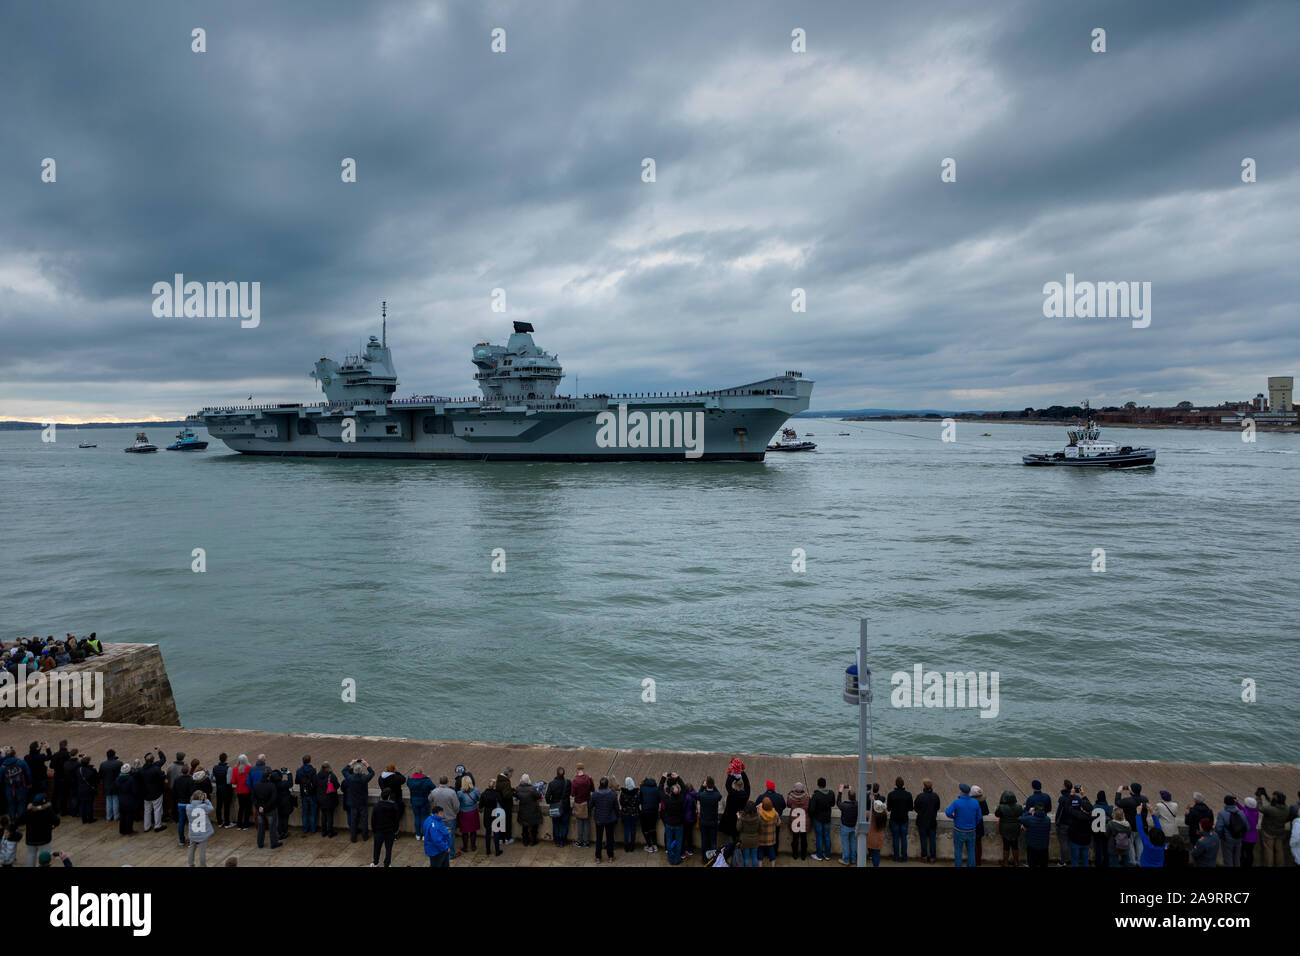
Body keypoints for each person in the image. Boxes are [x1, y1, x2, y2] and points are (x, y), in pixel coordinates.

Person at [16, 793, 59, 867]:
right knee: (45, 859)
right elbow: (57, 821)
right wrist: (52, 827)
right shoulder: (48, 811)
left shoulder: (29, 811)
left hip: (31, 840)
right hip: (44, 840)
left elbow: (19, 821)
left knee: (30, 855)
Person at [945, 783, 981, 867]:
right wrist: (973, 824)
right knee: (971, 851)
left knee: (958, 851)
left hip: (959, 831)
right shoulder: (975, 802)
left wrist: (954, 817)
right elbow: (979, 817)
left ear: (961, 792)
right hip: (971, 831)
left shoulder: (956, 802)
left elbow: (948, 812)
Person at [342, 759, 374, 843]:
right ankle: (365, 836)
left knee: (353, 821)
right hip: (363, 802)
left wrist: (351, 763)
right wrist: (366, 764)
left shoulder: (350, 778)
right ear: (360, 771)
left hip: (353, 802)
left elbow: (343, 771)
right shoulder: (364, 778)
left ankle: (353, 838)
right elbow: (372, 773)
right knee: (364, 820)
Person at [591, 776, 620, 863]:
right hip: (610, 819)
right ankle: (610, 857)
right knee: (610, 839)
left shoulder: (595, 794)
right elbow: (616, 808)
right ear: (608, 785)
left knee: (599, 839)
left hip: (599, 819)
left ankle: (598, 857)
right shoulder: (613, 794)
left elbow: (590, 806)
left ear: (600, 784)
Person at [885, 777, 913, 863]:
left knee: (895, 838)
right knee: (904, 838)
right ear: (903, 784)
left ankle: (896, 858)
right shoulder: (908, 794)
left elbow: (888, 808)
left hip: (894, 819)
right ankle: (904, 857)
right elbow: (911, 808)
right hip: (904, 819)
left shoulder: (891, 794)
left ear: (895, 784)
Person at [1258, 791, 1290, 867]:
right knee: (1280, 851)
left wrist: (1258, 797)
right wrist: (1267, 796)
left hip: (1268, 832)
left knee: (1269, 851)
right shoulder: (1286, 808)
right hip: (1280, 833)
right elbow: (1275, 805)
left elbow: (1260, 807)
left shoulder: (1271, 810)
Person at [754, 780, 785, 856]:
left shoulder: (761, 797)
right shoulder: (779, 797)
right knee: (775, 838)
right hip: (775, 821)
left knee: (763, 838)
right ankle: (774, 853)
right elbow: (784, 806)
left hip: (764, 822)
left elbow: (756, 807)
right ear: (774, 788)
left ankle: (764, 854)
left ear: (767, 788)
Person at [432, 776, 460, 857]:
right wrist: (455, 813)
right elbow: (456, 806)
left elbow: (429, 799)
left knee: (439, 835)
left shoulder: (434, 791)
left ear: (439, 782)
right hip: (450, 818)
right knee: (450, 836)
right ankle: (450, 854)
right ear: (447, 782)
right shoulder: (452, 792)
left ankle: (440, 852)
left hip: (438, 818)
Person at [370, 788, 400, 867]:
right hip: (390, 831)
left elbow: (373, 819)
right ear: (389, 796)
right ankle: (387, 864)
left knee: (377, 848)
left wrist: (374, 830)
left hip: (378, 831)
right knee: (388, 849)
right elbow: (396, 820)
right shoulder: (394, 806)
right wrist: (395, 830)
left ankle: (375, 862)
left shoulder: (376, 806)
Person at [253, 768, 280, 849]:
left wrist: (259, 807)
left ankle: (260, 843)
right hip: (270, 810)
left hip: (260, 811)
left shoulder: (256, 786)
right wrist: (265, 807)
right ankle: (274, 843)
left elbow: (254, 799)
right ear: (269, 777)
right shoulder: (272, 786)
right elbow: (273, 798)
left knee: (261, 827)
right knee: (272, 827)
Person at [1215, 795, 1246, 867]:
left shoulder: (1222, 814)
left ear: (1225, 803)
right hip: (1238, 840)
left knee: (1228, 860)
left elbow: (1218, 828)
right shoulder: (1241, 813)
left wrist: (1222, 837)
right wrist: (1241, 837)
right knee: (1237, 859)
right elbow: (1246, 826)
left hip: (1227, 840)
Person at [809, 777, 835, 862]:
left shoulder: (816, 795)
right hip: (827, 818)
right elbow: (833, 804)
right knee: (827, 836)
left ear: (818, 785)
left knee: (819, 837)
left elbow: (812, 809)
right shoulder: (831, 793)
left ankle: (819, 855)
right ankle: (827, 855)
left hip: (818, 819)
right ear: (825, 784)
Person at [914, 779, 940, 864]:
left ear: (924, 786)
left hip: (922, 822)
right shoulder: (935, 796)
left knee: (923, 840)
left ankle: (924, 857)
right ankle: (932, 858)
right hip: (932, 821)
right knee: (932, 840)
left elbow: (916, 808)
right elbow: (937, 807)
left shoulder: (920, 796)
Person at [1066, 788, 1094, 867]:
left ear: (1082, 808)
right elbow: (1090, 806)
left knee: (1075, 861)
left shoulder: (1077, 815)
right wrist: (1083, 795)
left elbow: (1068, 807)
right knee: (1085, 861)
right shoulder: (1091, 817)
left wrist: (1071, 795)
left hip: (1075, 841)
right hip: (1086, 842)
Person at [186, 790, 214, 867]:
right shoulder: (204, 806)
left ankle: (190, 864)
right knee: (202, 851)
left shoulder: (188, 807)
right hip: (202, 832)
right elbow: (211, 809)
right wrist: (206, 800)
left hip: (193, 831)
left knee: (191, 849)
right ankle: (203, 865)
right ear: (200, 797)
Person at [995, 789, 1023, 867]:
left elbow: (997, 815)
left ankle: (1005, 862)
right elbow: (1021, 813)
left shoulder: (1001, 807)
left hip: (1005, 828)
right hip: (1015, 828)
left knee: (1006, 845)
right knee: (1015, 845)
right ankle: (1016, 862)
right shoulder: (1019, 807)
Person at [722, 764, 750, 839]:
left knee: (733, 837)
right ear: (742, 786)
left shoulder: (732, 794)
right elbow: (747, 784)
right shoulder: (745, 794)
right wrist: (742, 772)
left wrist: (732, 775)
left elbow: (727, 785)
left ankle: (735, 849)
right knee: (737, 836)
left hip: (730, 819)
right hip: (740, 817)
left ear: (735, 785)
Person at [661, 783, 687, 865]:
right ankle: (676, 860)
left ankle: (670, 859)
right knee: (678, 842)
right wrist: (678, 778)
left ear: (670, 792)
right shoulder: (681, 799)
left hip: (669, 824)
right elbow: (684, 788)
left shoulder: (666, 800)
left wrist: (663, 778)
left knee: (669, 842)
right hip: (678, 825)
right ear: (679, 792)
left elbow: (659, 790)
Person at [1020, 802, 1052, 868]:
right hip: (1044, 847)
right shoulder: (1048, 820)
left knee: (1032, 864)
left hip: (1032, 847)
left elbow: (1021, 819)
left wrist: (1029, 812)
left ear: (1034, 810)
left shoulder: (1029, 819)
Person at [407, 768, 434, 841]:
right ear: (421, 773)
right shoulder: (426, 780)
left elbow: (408, 782)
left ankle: (418, 835)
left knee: (417, 817)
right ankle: (424, 835)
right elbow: (433, 787)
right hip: (424, 802)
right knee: (424, 818)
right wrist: (428, 779)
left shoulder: (410, 781)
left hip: (414, 802)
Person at [172, 762, 195, 847]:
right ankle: (190, 841)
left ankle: (181, 840)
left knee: (181, 822)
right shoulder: (191, 780)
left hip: (180, 803)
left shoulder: (177, 779)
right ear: (188, 771)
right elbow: (193, 792)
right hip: (188, 803)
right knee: (190, 822)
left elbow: (174, 791)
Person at [571, 763, 594, 848]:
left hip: (578, 804)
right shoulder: (588, 778)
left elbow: (572, 794)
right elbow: (593, 789)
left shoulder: (575, 781)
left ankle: (580, 841)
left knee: (580, 823)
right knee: (587, 823)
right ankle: (587, 842)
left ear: (577, 770)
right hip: (587, 803)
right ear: (583, 769)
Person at [786, 781, 811, 860]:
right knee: (804, 839)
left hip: (794, 820)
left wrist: (789, 794)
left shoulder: (791, 796)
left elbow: (788, 804)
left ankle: (795, 854)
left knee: (795, 839)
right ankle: (803, 855)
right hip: (804, 820)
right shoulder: (807, 797)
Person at [315, 761, 340, 838]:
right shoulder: (331, 776)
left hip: (320, 799)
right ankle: (330, 832)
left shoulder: (317, 776)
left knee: (323, 816)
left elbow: (315, 785)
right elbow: (337, 785)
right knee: (329, 816)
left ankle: (323, 832)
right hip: (329, 799)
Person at [457, 775, 481, 854]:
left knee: (464, 831)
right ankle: (473, 846)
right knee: (473, 830)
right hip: (473, 812)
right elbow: (478, 799)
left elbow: (458, 802)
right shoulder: (475, 790)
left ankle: (465, 847)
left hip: (464, 813)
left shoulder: (459, 793)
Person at [516, 773, 542, 846]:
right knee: (534, 827)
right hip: (532, 811)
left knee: (524, 827)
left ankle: (525, 841)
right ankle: (533, 841)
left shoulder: (518, 788)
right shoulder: (532, 789)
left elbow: (517, 796)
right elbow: (539, 796)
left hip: (523, 811)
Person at [479, 778, 503, 856]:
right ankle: (497, 851)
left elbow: (480, 806)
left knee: (488, 833)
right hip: (495, 813)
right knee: (496, 833)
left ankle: (488, 850)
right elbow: (501, 803)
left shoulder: (483, 794)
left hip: (487, 814)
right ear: (494, 785)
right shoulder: (497, 794)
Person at [295, 756, 319, 835]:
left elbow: (297, 781)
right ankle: (313, 829)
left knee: (305, 813)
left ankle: (305, 828)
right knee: (313, 813)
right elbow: (315, 783)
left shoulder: (299, 771)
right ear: (310, 761)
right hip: (312, 794)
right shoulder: (313, 771)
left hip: (303, 794)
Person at [619, 777, 642, 853]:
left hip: (625, 813)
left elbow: (621, 802)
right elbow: (639, 802)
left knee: (626, 829)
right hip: (635, 813)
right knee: (633, 829)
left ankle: (626, 846)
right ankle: (632, 845)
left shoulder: (623, 792)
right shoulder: (637, 792)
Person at [99, 749, 123, 822]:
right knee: (115, 801)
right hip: (116, 785)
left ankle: (108, 817)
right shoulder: (119, 763)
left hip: (107, 785)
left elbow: (100, 775)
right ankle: (116, 817)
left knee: (108, 802)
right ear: (114, 755)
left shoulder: (103, 764)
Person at [231, 754, 253, 831]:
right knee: (247, 808)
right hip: (247, 791)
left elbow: (233, 781)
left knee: (241, 808)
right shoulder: (249, 768)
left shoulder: (235, 769)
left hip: (239, 791)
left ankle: (239, 825)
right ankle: (246, 824)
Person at [637, 776, 659, 852]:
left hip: (645, 811)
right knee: (653, 828)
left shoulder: (642, 788)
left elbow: (639, 800)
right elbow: (659, 800)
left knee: (645, 829)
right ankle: (655, 845)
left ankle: (649, 846)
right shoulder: (656, 788)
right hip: (654, 811)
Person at [837, 785, 858, 865]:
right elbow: (854, 801)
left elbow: (838, 802)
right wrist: (850, 791)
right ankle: (853, 859)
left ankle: (846, 860)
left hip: (845, 827)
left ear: (848, 797)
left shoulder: (844, 806)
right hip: (853, 826)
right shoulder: (857, 805)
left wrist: (840, 792)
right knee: (852, 842)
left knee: (845, 843)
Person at [1091, 790, 1112, 868]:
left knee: (1098, 848)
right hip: (1106, 831)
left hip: (1097, 831)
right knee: (1106, 848)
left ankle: (1098, 864)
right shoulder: (1109, 807)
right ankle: (1106, 863)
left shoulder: (1094, 807)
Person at [116, 765, 139, 836]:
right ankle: (129, 831)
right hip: (129, 800)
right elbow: (135, 791)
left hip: (121, 800)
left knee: (122, 816)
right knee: (129, 816)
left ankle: (122, 831)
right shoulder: (131, 779)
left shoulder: (117, 779)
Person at [75, 755, 98, 824]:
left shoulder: (78, 770)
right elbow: (96, 779)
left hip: (80, 789)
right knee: (89, 805)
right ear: (88, 763)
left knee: (82, 804)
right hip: (89, 789)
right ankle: (90, 819)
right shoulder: (91, 771)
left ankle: (84, 819)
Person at [757, 796, 780, 867]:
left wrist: (758, 810)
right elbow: (778, 823)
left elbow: (757, 824)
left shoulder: (760, 814)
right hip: (771, 838)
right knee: (772, 854)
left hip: (761, 838)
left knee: (760, 854)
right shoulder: (775, 814)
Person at [212, 753, 233, 829]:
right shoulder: (228, 768)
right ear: (226, 759)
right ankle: (227, 823)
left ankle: (219, 822)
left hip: (218, 788)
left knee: (219, 805)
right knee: (226, 806)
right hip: (226, 789)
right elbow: (228, 781)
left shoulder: (215, 767)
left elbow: (213, 778)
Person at [495, 768, 515, 844]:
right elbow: (506, 795)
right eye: (511, 774)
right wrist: (512, 792)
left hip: (500, 804)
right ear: (508, 774)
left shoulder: (499, 780)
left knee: (500, 822)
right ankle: (507, 839)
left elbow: (501, 791)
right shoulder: (506, 782)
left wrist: (510, 789)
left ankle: (500, 839)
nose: (512, 775)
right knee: (507, 822)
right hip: (506, 805)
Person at [738, 800, 760, 867]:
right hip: (755, 839)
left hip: (745, 840)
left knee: (746, 858)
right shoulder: (758, 818)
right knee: (754, 857)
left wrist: (739, 819)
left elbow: (738, 828)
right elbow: (761, 829)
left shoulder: (742, 818)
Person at [865, 799, 887, 867]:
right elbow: (882, 809)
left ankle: (871, 857)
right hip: (879, 838)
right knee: (877, 855)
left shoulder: (869, 814)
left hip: (871, 837)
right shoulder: (884, 814)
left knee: (871, 852)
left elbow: (862, 812)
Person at [1240, 795, 1260, 867]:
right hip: (1254, 836)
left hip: (1246, 837)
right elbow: (1244, 809)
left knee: (1243, 853)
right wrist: (1237, 803)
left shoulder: (1246, 814)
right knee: (1250, 853)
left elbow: (1244, 811)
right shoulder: (1256, 812)